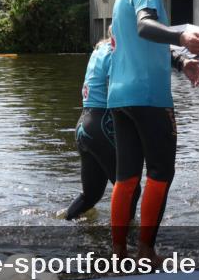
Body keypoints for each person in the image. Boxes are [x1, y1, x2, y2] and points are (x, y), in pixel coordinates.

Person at [107, 0, 199, 264]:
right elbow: (144, 26)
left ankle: (118, 251)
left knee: (127, 178)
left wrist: (181, 60)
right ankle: (147, 251)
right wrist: (181, 35)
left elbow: (144, 40)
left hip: (120, 98)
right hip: (150, 98)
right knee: (161, 173)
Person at [60, 34, 141, 221]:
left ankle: (66, 223)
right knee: (131, 189)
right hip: (102, 126)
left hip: (84, 126)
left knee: (91, 195)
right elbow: (119, 91)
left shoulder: (98, 51)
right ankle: (127, 240)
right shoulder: (114, 53)